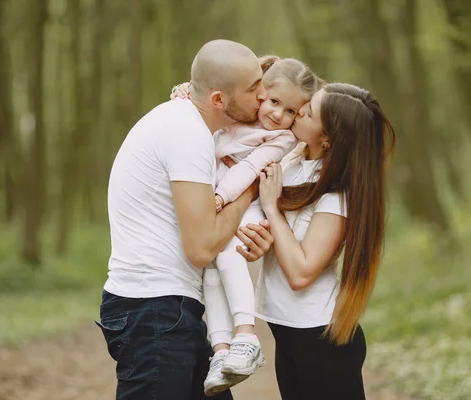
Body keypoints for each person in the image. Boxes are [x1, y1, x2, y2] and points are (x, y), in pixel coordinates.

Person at [96, 39, 273, 400]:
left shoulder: (188, 121)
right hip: (152, 312)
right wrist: (251, 190)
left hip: (167, 310)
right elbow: (202, 247)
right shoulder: (187, 133)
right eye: (254, 88)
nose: (264, 95)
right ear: (219, 100)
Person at [171, 56, 324, 396]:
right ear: (261, 93)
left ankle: (247, 334)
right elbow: (216, 97)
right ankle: (222, 351)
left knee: (229, 256)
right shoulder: (238, 117)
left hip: (250, 203)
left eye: (290, 112)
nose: (278, 116)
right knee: (211, 270)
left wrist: (220, 198)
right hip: (223, 200)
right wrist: (186, 94)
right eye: (272, 102)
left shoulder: (282, 139)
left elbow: (250, 168)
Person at [247, 83, 396, 399]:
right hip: (289, 333)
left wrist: (272, 208)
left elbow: (301, 273)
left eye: (309, 111)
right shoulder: (294, 157)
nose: (299, 109)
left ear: (327, 139)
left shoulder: (336, 197)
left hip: (319, 340)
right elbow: (266, 85)